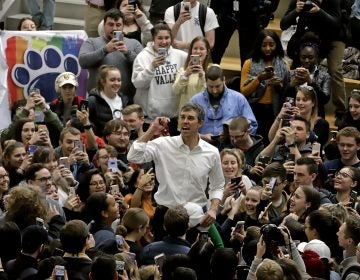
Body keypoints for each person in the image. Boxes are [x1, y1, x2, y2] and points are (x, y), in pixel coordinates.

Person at [127, 103, 225, 240]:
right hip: (165, 214)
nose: (185, 121)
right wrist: (152, 129)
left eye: (190, 118)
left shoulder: (212, 152)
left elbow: (218, 185)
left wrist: (213, 209)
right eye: (182, 117)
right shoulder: (162, 144)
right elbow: (133, 156)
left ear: (200, 123)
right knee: (162, 259)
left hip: (195, 216)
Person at [280, 0, 347, 124]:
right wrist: (296, 11)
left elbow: (336, 24)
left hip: (333, 37)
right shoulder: (299, 0)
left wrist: (319, 11)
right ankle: (291, 107)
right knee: (298, 67)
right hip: (312, 38)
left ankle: (341, 111)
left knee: (335, 70)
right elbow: (283, 24)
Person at [132, 21, 187, 134]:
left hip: (174, 117)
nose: (164, 42)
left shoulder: (181, 56)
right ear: (153, 39)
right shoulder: (142, 57)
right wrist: (151, 67)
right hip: (151, 118)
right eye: (160, 38)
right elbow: (137, 83)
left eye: (167, 38)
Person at [79, 8, 143, 102]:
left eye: (118, 25)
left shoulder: (134, 43)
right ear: (104, 25)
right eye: (110, 24)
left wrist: (128, 53)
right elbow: (83, 61)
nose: (114, 28)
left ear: (123, 26)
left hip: (126, 101)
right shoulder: (92, 42)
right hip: (98, 101)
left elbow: (144, 65)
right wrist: (105, 50)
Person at [240, 30, 289, 144]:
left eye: (271, 45)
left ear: (277, 45)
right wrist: (259, 79)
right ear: (259, 46)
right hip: (254, 109)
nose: (268, 48)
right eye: (264, 45)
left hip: (274, 111)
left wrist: (279, 85)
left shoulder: (284, 64)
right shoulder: (249, 63)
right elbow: (243, 91)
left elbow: (288, 92)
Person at [191, 65, 257, 142]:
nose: (214, 90)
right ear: (206, 83)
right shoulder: (195, 101)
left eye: (217, 86)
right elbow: (186, 128)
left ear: (224, 80)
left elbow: (252, 126)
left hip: (232, 147)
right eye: (211, 87)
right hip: (202, 145)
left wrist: (233, 136)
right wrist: (201, 136)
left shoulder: (238, 99)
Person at [210, 0, 280, 66]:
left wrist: (265, 8)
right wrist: (214, 9)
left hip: (252, 13)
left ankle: (246, 77)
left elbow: (272, 5)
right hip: (226, 10)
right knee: (216, 51)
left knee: (248, 56)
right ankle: (212, 76)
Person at [284, 33, 331, 118]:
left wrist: (311, 82)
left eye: (310, 57)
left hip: (315, 116)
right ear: (299, 57)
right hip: (293, 116)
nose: (306, 60)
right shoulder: (291, 74)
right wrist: (292, 84)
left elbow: (324, 100)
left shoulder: (325, 76)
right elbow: (283, 97)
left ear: (316, 57)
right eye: (303, 57)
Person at [87, 65, 129, 137]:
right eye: (112, 80)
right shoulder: (92, 101)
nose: (116, 83)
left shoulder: (125, 100)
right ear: (103, 82)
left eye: (119, 80)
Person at [172, 36, 211, 110]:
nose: (198, 51)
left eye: (201, 49)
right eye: (195, 48)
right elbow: (175, 91)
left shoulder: (212, 69)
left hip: (204, 113)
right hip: (186, 114)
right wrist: (186, 75)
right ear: (191, 51)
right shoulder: (182, 71)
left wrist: (202, 76)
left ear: (207, 52)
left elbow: (212, 93)